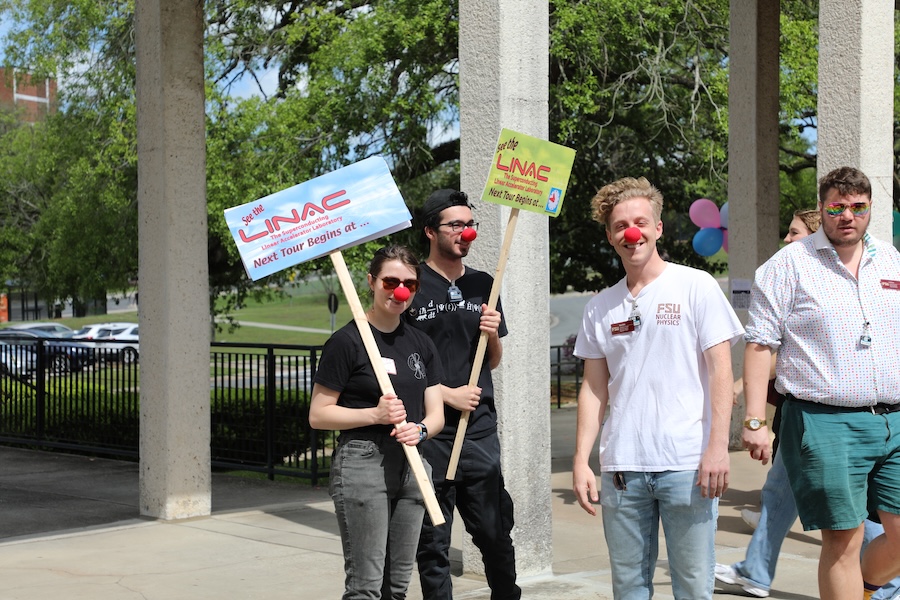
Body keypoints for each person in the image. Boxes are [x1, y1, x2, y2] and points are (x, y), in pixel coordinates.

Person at [572, 176, 744, 598]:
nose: (632, 233)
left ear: (658, 228)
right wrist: (581, 460)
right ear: (611, 237)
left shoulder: (696, 285)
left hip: (686, 464)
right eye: (620, 226)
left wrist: (718, 448)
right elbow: (594, 390)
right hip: (623, 471)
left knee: (692, 587)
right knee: (629, 588)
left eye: (640, 222)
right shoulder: (600, 307)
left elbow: (721, 372)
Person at [742, 166, 900, 600]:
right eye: (837, 207)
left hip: (895, 419)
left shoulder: (890, 259)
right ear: (823, 208)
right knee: (843, 540)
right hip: (824, 421)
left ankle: (866, 587)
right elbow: (759, 346)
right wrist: (754, 421)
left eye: (857, 207)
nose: (847, 216)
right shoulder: (788, 265)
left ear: (869, 209)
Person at [309, 245, 445, 600]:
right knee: (366, 587)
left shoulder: (421, 343)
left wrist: (420, 429)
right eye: (390, 281)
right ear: (371, 281)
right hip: (362, 463)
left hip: (413, 465)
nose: (399, 290)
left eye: (410, 284)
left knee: (397, 587)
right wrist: (375, 415)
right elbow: (319, 414)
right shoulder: (346, 341)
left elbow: (437, 415)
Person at [406, 189, 520, 600]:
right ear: (430, 231)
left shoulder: (484, 284)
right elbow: (402, 363)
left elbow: (491, 362)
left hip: (478, 429)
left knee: (493, 531)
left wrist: (491, 334)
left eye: (470, 224)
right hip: (431, 432)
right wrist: (444, 394)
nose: (465, 232)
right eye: (456, 224)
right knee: (433, 541)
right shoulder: (411, 285)